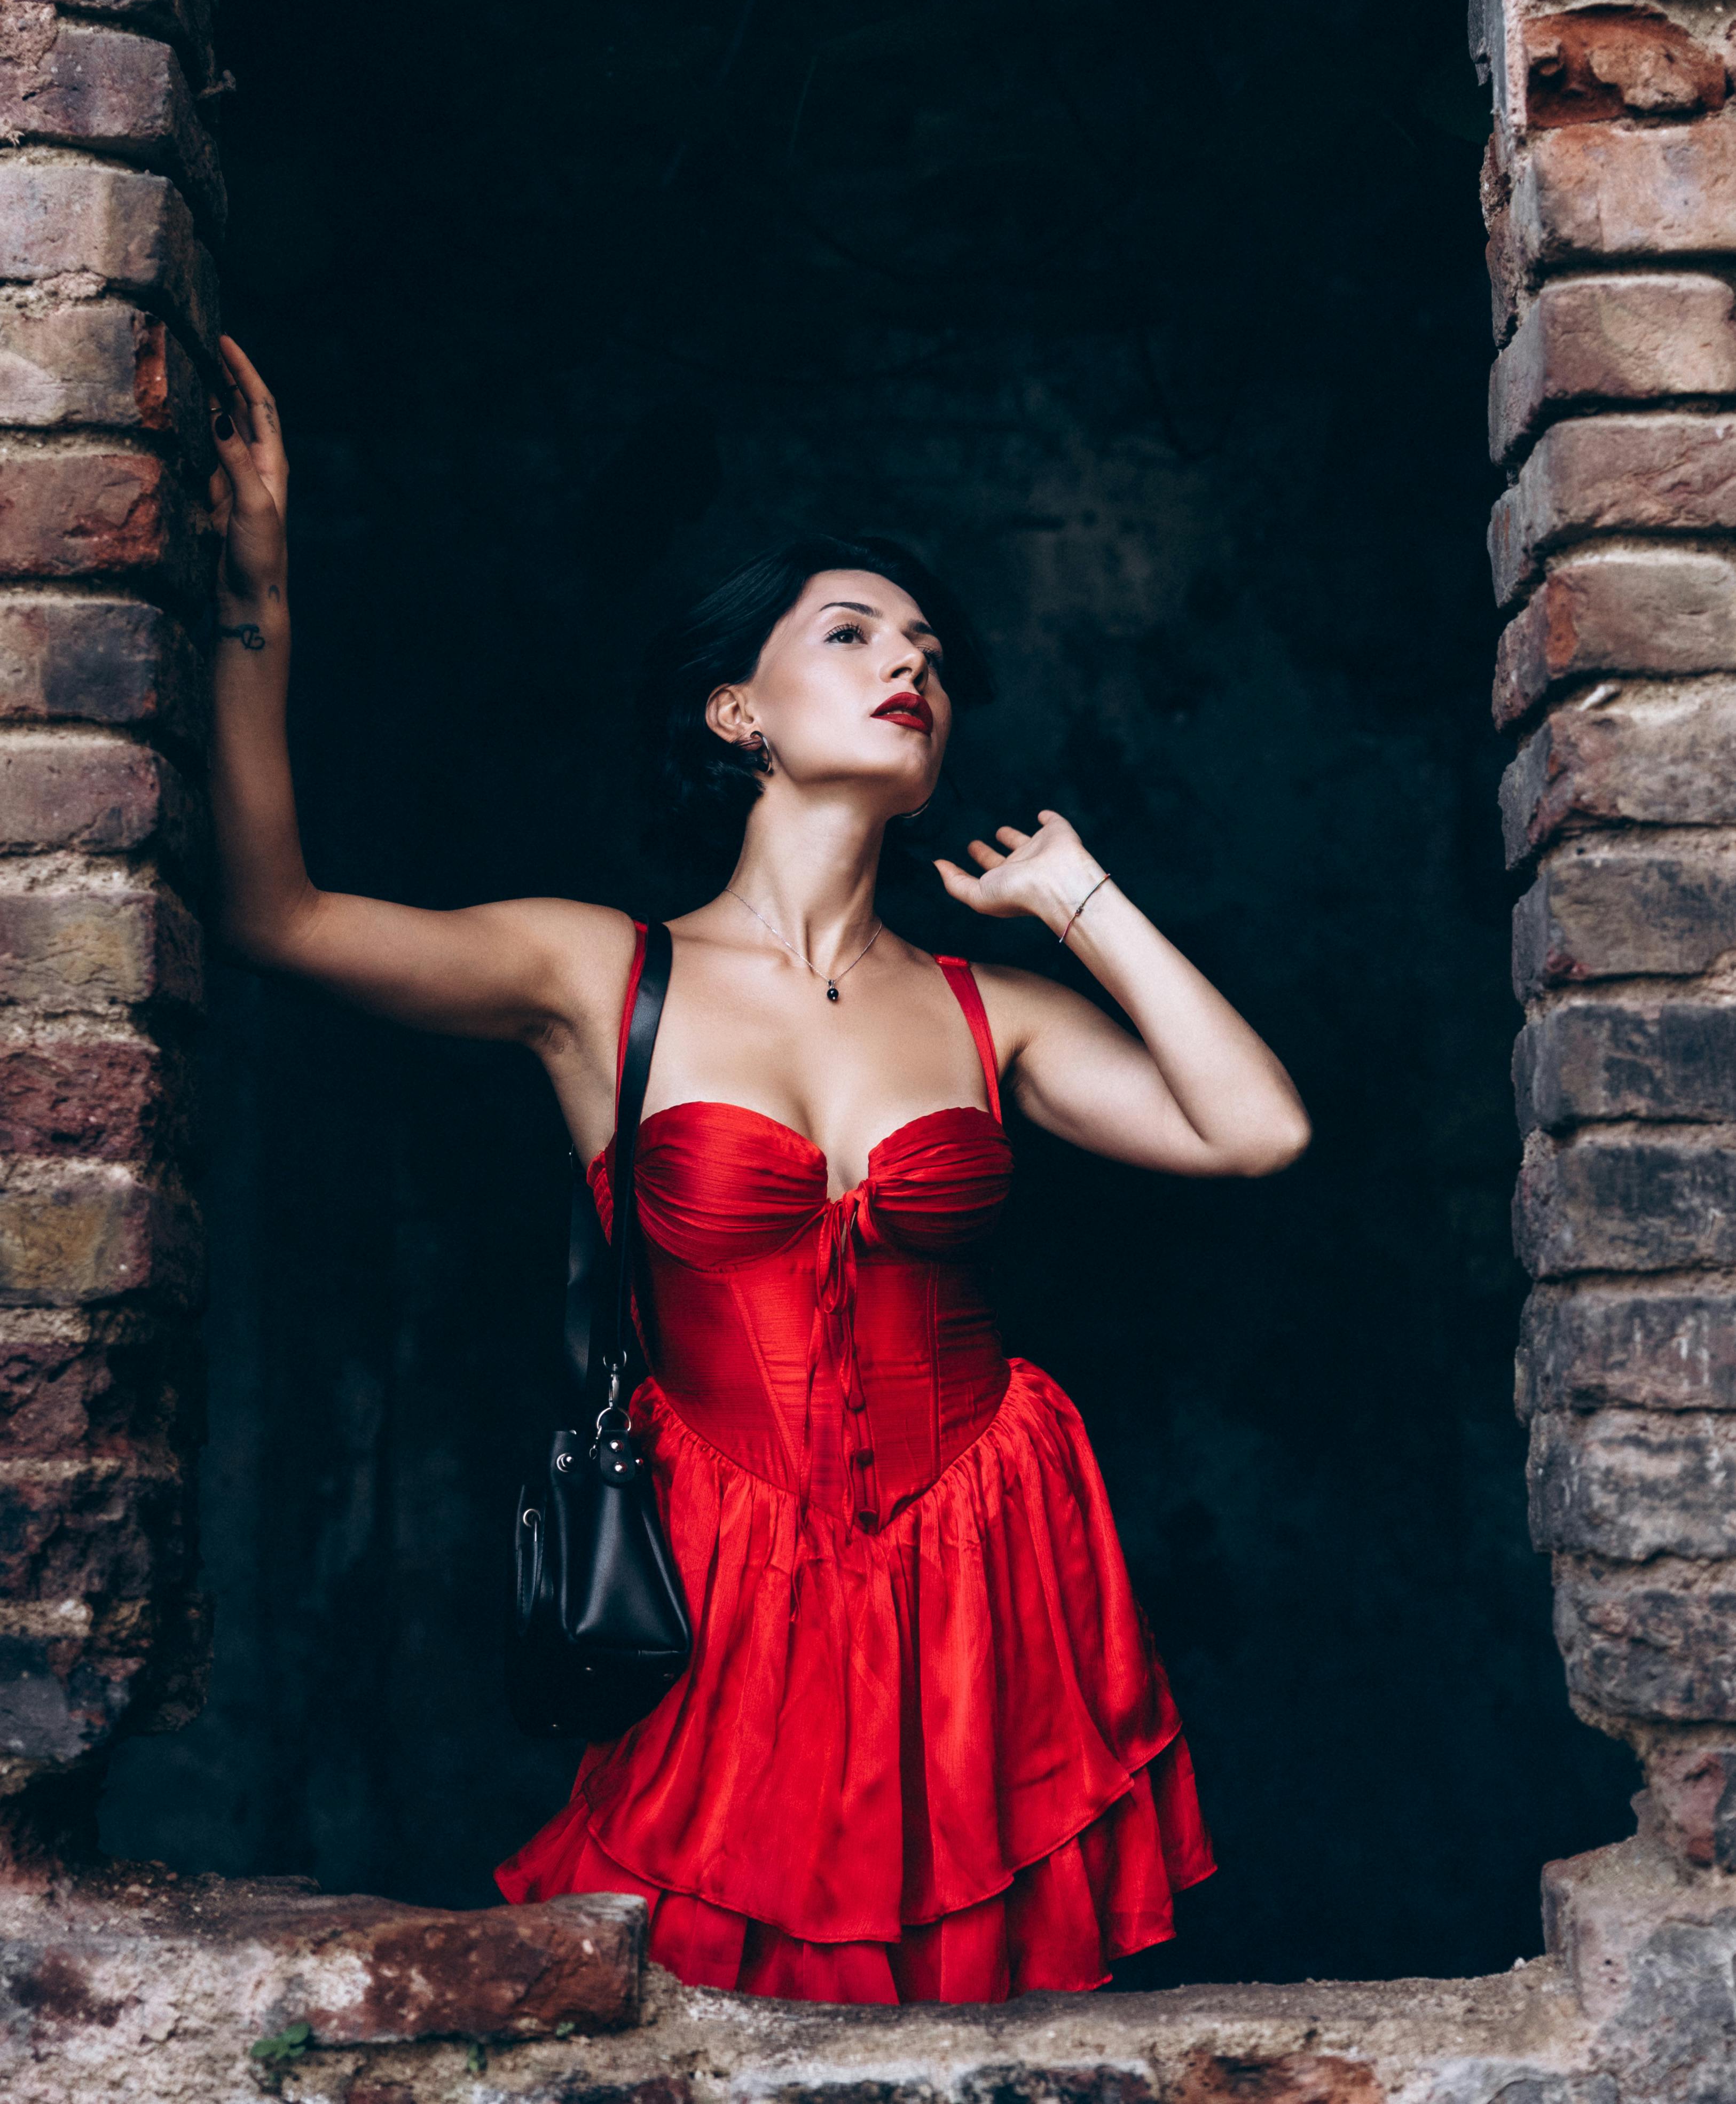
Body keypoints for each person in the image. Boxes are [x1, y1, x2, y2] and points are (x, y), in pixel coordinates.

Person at [207, 333, 1311, 2006]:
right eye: (854, 634)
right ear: (738, 708)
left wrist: (1083, 896)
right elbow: (277, 915)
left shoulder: (980, 1005)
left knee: (983, 2026)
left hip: (984, 1567)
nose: (908, 666)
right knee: (705, 1999)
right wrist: (253, 592)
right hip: (721, 1576)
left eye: (930, 651)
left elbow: (1257, 1129)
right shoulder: (601, 976)